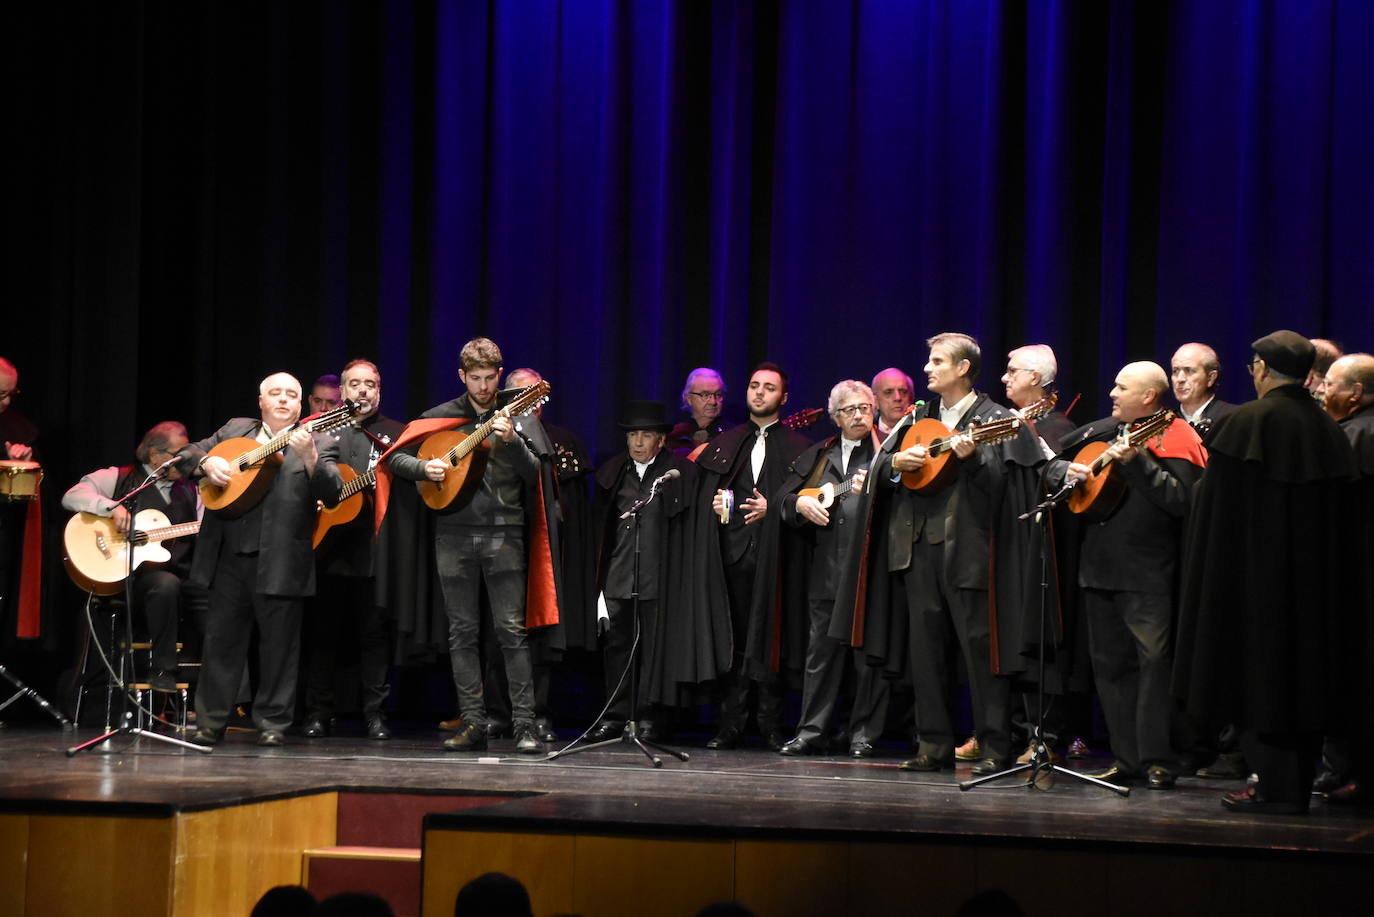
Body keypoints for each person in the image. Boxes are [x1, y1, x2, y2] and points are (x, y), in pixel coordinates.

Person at [1176, 331, 1357, 813]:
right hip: (1315, 592)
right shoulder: (1328, 429)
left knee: (1257, 681)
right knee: (1303, 683)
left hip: (1252, 586)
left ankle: (1276, 790)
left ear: (1260, 369)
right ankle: (1292, 787)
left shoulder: (1247, 422)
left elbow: (1216, 515)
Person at [381, 338, 559, 754]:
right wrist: (426, 467)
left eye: (490, 378)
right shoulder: (442, 416)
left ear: (500, 374)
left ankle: (525, 725)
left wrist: (512, 440)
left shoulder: (518, 413)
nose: (483, 387)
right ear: (461, 376)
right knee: (461, 634)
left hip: (505, 532)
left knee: (511, 633)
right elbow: (395, 458)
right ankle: (474, 722)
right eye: (475, 379)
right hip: (453, 533)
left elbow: (536, 473)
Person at [878, 333, 1041, 775]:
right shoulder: (919, 415)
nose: (927, 369)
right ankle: (932, 744)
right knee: (925, 652)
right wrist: (896, 465)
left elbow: (1007, 489)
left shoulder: (995, 418)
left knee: (978, 651)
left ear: (963, 368)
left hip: (969, 549)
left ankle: (994, 745)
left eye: (936, 362)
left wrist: (970, 460)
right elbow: (879, 465)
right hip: (916, 547)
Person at [1046, 362, 1205, 789]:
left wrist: (1137, 465)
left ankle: (1158, 759)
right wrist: (1066, 473)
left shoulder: (1177, 435)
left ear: (1149, 396)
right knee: (1110, 667)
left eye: (1121, 387)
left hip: (1150, 571)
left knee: (1153, 666)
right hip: (1098, 569)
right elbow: (1051, 467)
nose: (1112, 393)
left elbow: (1181, 502)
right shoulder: (1103, 431)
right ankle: (1127, 758)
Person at [177, 372, 342, 747]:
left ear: (301, 405)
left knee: (280, 647)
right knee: (221, 643)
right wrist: (206, 465)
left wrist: (311, 458)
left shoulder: (320, 440)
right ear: (261, 401)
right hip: (229, 557)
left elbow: (332, 493)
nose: (283, 400)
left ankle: (272, 723)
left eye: (291, 395)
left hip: (283, 559)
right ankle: (210, 721)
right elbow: (186, 454)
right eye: (275, 393)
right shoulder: (236, 431)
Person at [689, 363, 810, 750]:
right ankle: (731, 723)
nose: (759, 393)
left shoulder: (799, 447)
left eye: (769, 387)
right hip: (734, 553)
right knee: (736, 637)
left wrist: (773, 508)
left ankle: (772, 724)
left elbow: (805, 501)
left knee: (772, 636)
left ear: (783, 397)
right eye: (754, 385)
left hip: (778, 559)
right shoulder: (728, 442)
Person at [776, 380, 890, 757]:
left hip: (870, 572)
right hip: (825, 572)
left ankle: (862, 734)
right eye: (849, 410)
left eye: (864, 408)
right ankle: (812, 731)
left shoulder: (886, 451)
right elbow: (783, 499)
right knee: (819, 657)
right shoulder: (820, 455)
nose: (859, 415)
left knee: (866, 657)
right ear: (835, 417)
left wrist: (878, 491)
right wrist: (798, 506)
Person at [301, 360, 404, 740]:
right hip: (327, 547)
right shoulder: (323, 430)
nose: (363, 391)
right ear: (343, 391)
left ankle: (376, 715)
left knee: (374, 638)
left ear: (379, 390)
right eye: (355, 384)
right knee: (323, 634)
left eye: (370, 384)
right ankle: (317, 713)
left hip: (376, 549)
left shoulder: (396, 433)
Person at [61, 421, 203, 691]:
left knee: (222, 595)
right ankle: (163, 669)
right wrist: (110, 508)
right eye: (177, 454)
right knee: (164, 585)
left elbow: (207, 526)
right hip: (124, 582)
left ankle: (229, 697)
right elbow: (72, 496)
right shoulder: (118, 477)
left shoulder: (193, 490)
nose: (183, 461)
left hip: (178, 580)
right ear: (154, 455)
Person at [588, 400, 695, 740]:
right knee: (617, 649)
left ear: (661, 440)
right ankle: (616, 715)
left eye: (646, 435)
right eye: (633, 434)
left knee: (654, 650)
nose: (637, 442)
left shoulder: (678, 474)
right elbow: (599, 529)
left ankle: (650, 715)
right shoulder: (613, 472)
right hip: (620, 575)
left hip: (660, 577)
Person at [1312, 352, 1374, 802]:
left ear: (1355, 393)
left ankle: (1348, 773)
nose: (1321, 390)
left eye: (1330, 383)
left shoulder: (1357, 437)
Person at [0, 357, 41, 640]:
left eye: (10, 394)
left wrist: (21, 463)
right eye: (1, 394)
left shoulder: (19, 428)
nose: (6, 402)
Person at [1003, 345, 1074, 451]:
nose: (1004, 378)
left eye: (1012, 371)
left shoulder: (1059, 428)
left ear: (1035, 378)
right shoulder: (1006, 415)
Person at [1170, 342, 1237, 439]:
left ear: (1210, 378)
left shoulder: (1233, 418)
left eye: (1189, 370)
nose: (1180, 379)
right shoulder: (1164, 423)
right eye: (1175, 371)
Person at [666, 368, 729, 457]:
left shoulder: (732, 436)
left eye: (718, 395)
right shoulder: (674, 435)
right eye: (705, 395)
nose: (713, 402)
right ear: (688, 398)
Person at [871, 368, 916, 437]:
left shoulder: (925, 433)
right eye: (888, 392)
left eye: (903, 392)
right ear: (875, 401)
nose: (897, 398)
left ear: (911, 397)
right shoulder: (865, 438)